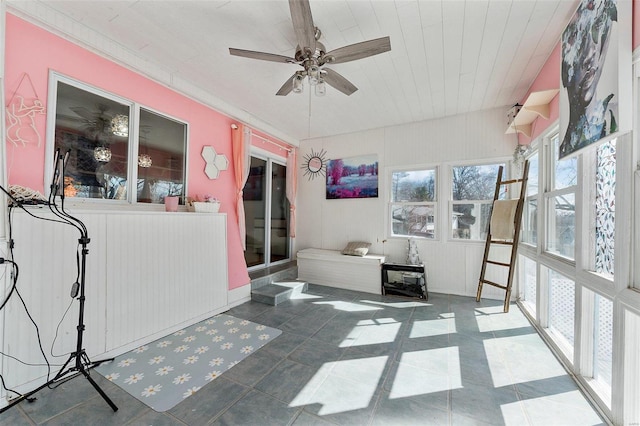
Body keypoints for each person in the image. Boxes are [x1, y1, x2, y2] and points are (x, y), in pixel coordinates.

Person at [560, 0, 618, 158]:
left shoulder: (614, 115)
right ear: (565, 75)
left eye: (595, 53)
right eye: (577, 59)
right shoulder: (566, 147)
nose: (590, 63)